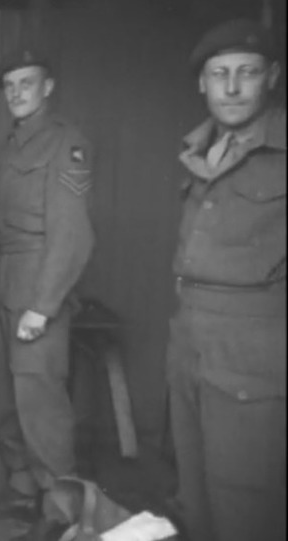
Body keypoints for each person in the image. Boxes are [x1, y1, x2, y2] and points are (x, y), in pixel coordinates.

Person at [167, 20, 286, 541]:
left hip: (253, 356)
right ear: (203, 84)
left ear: (272, 77)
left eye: (247, 73)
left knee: (246, 503)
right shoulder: (198, 151)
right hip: (189, 344)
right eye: (219, 75)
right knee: (196, 493)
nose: (232, 87)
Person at [0, 48, 94, 508]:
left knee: (40, 403)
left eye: (26, 83)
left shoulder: (65, 142)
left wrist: (44, 305)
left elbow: (72, 234)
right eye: (9, 85)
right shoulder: (9, 146)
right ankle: (23, 491)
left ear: (47, 87)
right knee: (4, 398)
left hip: (36, 284)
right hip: (2, 279)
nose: (16, 93)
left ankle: (62, 506)